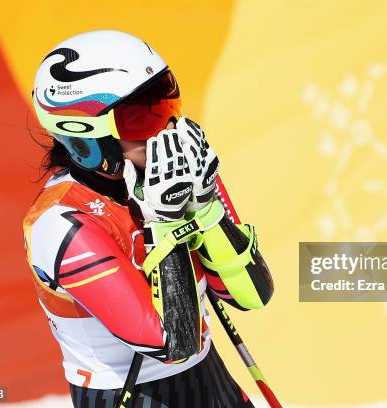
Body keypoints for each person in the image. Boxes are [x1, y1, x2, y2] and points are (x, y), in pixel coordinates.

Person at [23, 30, 274, 408]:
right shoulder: (60, 224)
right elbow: (173, 343)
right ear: (85, 136)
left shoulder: (176, 176)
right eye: (141, 116)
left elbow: (252, 294)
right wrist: (166, 220)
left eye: (166, 105)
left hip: (210, 380)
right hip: (133, 396)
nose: (167, 129)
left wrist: (205, 211)